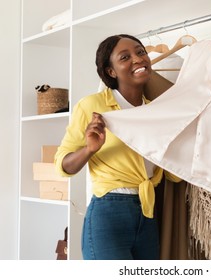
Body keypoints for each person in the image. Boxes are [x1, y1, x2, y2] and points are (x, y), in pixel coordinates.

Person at [54, 34, 180, 260]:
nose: (138, 59)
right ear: (111, 71)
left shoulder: (158, 111)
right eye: (125, 57)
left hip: (148, 210)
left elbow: (172, 173)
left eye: (141, 52)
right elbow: (63, 165)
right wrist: (89, 149)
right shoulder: (93, 106)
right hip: (109, 213)